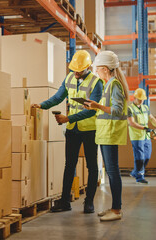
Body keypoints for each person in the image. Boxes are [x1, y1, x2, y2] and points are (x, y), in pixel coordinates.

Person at [31, 50, 104, 214]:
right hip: (73, 129)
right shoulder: (70, 78)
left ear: (88, 67)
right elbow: (58, 97)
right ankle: (65, 201)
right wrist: (41, 105)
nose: (76, 72)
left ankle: (89, 202)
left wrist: (68, 119)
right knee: (69, 164)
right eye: (75, 69)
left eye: (80, 70)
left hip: (90, 129)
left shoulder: (96, 82)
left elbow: (92, 110)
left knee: (92, 166)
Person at [83, 51, 129, 222]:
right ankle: (114, 207)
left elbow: (116, 111)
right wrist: (95, 106)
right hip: (105, 134)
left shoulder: (114, 85)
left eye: (97, 69)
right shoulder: (108, 84)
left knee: (112, 172)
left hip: (110, 134)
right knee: (111, 171)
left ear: (104, 69)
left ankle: (117, 210)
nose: (95, 72)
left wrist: (97, 106)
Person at [127, 88, 156, 184]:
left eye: (142, 99)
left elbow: (151, 118)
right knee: (140, 157)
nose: (141, 100)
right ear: (134, 97)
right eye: (139, 99)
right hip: (137, 137)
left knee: (147, 156)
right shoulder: (130, 109)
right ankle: (140, 177)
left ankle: (135, 172)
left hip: (146, 137)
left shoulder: (145, 108)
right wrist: (144, 128)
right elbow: (131, 123)